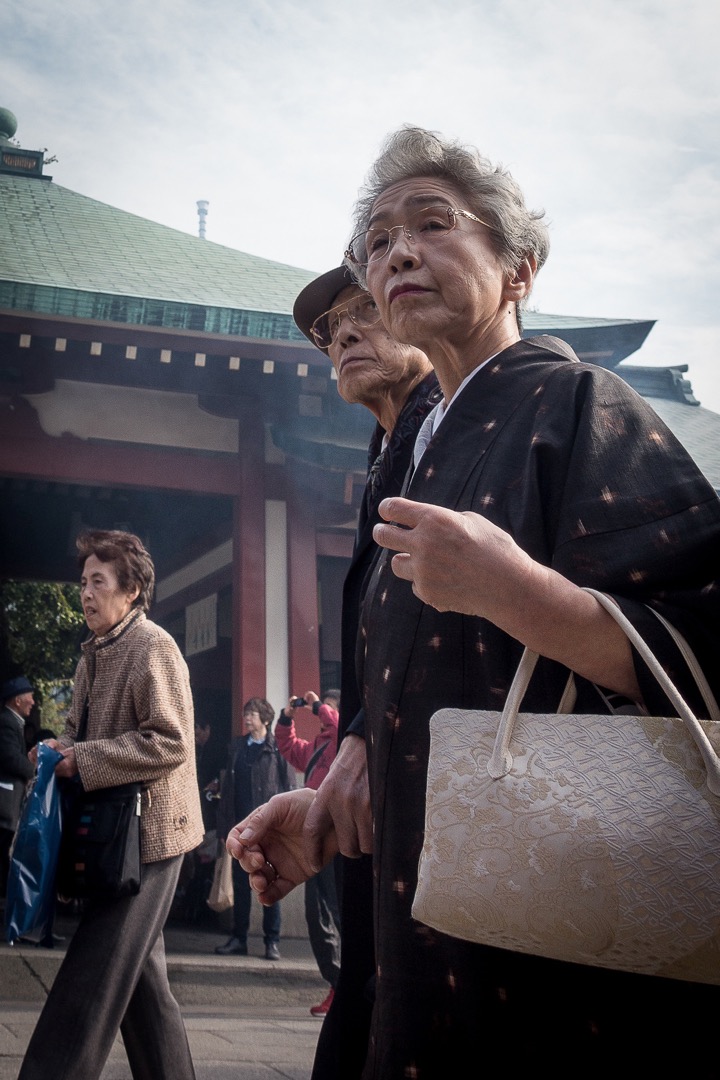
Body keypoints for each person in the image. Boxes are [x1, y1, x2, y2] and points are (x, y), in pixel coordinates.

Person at [228, 126, 720, 1077]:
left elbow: (708, 634)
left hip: (551, 935)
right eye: (375, 240)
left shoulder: (580, 403)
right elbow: (407, 683)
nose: (395, 251)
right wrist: (338, 792)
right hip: (413, 913)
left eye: (431, 223)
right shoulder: (407, 453)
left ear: (520, 268)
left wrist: (523, 595)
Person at [291, 266, 440, 1075]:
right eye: (329, 329)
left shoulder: (464, 427)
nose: (341, 334)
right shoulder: (391, 444)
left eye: (361, 314)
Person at [19, 529, 203, 1080]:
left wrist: (87, 758)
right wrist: (60, 747)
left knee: (92, 975)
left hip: (151, 837)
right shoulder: (91, 657)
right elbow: (80, 734)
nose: (86, 593)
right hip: (114, 833)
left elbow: (171, 741)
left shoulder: (155, 646)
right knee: (145, 989)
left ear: (132, 591)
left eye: (99, 582)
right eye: (83, 582)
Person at [275, 689, 341, 1015]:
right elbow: (287, 746)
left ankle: (353, 985)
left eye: (328, 708)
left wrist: (318, 705)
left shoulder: (347, 742)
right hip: (313, 837)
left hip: (342, 837)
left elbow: (340, 723)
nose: (322, 713)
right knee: (317, 915)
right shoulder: (317, 748)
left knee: (343, 912)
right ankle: (337, 984)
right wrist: (287, 717)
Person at [214, 697, 295, 960]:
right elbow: (228, 791)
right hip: (242, 828)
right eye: (246, 714)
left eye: (252, 714)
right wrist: (226, 825)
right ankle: (239, 938)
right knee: (240, 883)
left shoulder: (277, 748)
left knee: (270, 884)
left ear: (266, 719)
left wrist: (287, 827)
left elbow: (290, 789)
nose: (247, 718)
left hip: (270, 830)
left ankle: (272, 942)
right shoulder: (238, 747)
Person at [0, 675, 35, 900]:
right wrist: (36, 772)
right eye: (30, 697)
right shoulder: (6, 722)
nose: (33, 702)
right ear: (17, 700)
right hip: (4, 804)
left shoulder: (13, 722)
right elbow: (10, 758)